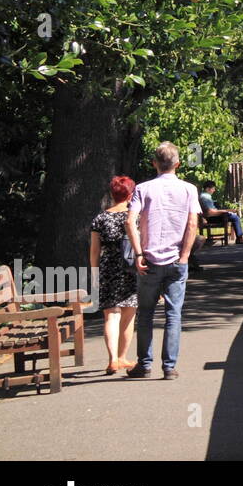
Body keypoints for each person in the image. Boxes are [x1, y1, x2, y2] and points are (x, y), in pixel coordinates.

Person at [126, 141, 200, 380]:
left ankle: (144, 364)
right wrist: (185, 255)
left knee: (145, 313)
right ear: (177, 164)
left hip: (148, 260)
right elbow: (192, 223)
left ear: (154, 163)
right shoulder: (189, 189)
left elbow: (130, 221)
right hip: (177, 260)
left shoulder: (142, 189)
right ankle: (169, 367)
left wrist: (138, 254)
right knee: (173, 314)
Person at [90, 175, 138, 375]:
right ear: (131, 194)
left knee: (111, 316)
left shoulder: (100, 218)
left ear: (112, 194)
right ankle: (122, 357)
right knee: (128, 314)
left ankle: (112, 360)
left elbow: (94, 251)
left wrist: (94, 275)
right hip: (131, 268)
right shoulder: (135, 216)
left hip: (108, 268)